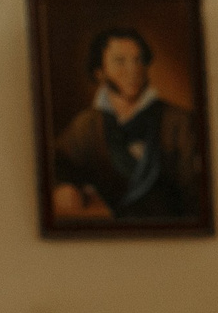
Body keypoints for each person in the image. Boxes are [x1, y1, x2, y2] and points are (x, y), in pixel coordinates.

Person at [49, 25, 205, 221]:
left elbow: (196, 195)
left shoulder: (179, 121)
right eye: (120, 61)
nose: (133, 70)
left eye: (138, 60)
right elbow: (56, 164)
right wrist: (64, 186)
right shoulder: (86, 125)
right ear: (100, 72)